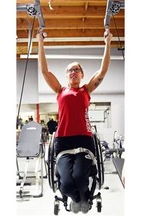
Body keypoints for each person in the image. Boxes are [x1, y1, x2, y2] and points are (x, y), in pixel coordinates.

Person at [37, 30, 112, 214]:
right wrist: (40, 42)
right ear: (66, 75)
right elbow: (44, 71)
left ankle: (84, 197)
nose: (73, 72)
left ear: (82, 74)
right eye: (70, 70)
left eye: (76, 69)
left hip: (84, 141)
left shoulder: (86, 90)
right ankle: (79, 199)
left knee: (79, 178)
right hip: (63, 142)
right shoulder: (59, 90)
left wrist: (108, 42)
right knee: (67, 184)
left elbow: (102, 71)